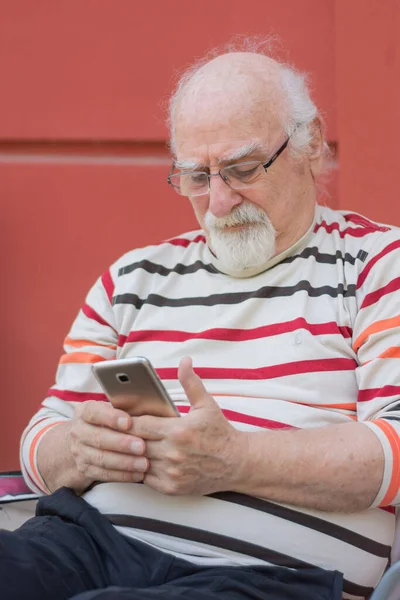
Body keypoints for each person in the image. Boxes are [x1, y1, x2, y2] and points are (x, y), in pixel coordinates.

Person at [3, 40, 399, 600]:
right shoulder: (133, 278)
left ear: (309, 144)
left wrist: (236, 461)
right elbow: (39, 443)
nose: (217, 201)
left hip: (270, 577)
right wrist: (78, 448)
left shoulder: (379, 264)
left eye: (241, 169)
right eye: (195, 175)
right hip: (86, 542)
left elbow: (396, 445)